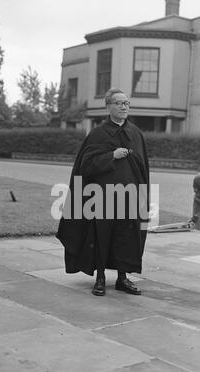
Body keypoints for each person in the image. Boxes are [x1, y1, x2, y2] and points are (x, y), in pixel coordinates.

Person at [56, 88, 150, 296]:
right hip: (102, 197)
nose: (124, 106)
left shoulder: (136, 134)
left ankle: (122, 278)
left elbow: (143, 167)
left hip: (130, 196)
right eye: (119, 103)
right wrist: (111, 156)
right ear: (108, 106)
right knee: (101, 237)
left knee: (126, 237)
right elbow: (85, 166)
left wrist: (143, 198)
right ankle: (100, 278)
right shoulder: (97, 134)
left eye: (126, 103)